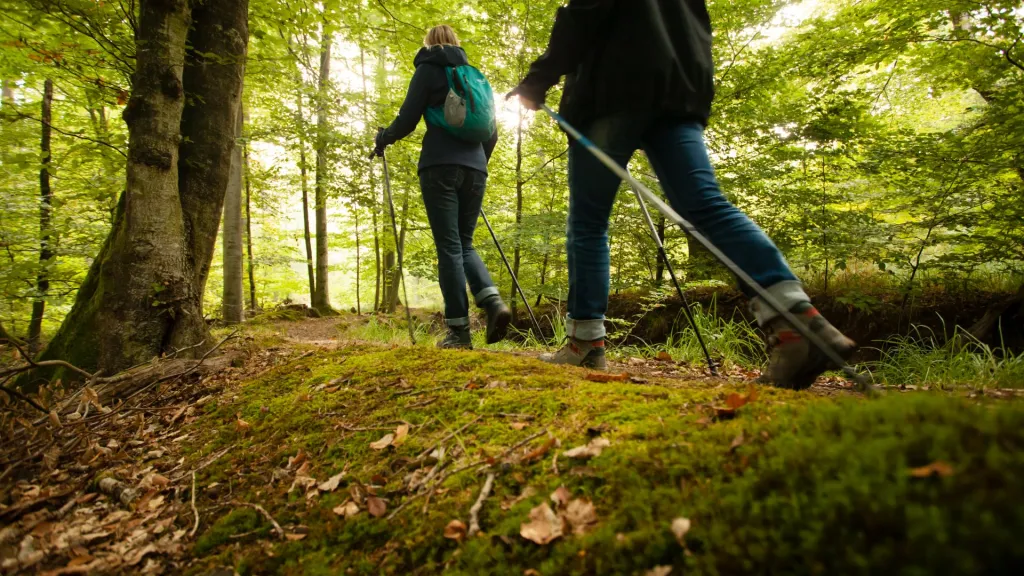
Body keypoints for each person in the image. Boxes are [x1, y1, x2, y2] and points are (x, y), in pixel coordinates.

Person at [508, 0, 856, 389]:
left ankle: (585, 341)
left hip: (611, 89)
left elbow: (585, 11)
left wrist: (536, 81)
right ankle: (797, 323)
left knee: (588, 225)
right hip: (678, 90)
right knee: (707, 206)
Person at [375, 25, 511, 349]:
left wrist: (384, 137)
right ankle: (492, 303)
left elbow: (407, 119)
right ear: (456, 44)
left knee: (449, 247)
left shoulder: (428, 70)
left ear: (429, 44)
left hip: (439, 166)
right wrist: (478, 163)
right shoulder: (474, 76)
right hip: (476, 169)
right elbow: (491, 131)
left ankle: (459, 332)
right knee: (465, 244)